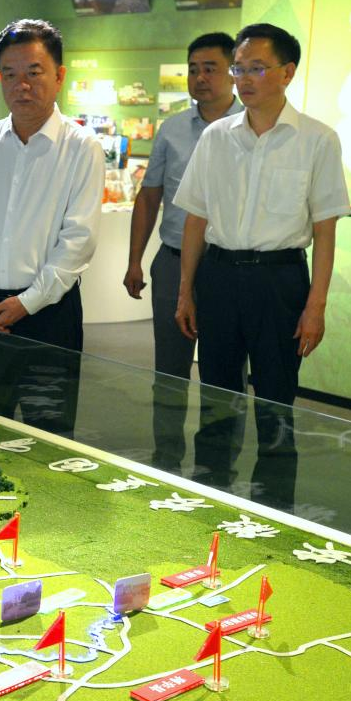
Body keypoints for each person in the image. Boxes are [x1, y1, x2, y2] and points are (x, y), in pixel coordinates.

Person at [172, 23, 350, 510]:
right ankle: (208, 495)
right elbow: (196, 218)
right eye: (239, 69)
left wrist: (316, 306)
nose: (244, 79)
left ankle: (274, 507)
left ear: (287, 72)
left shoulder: (317, 139)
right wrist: (186, 290)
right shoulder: (216, 137)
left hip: (280, 280)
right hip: (219, 275)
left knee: (275, 401)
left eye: (257, 68)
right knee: (216, 395)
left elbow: (325, 231)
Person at [0, 18, 104, 437]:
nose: (23, 85)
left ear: (59, 76)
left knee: (48, 436)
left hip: (48, 316)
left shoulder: (81, 147)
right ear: (0, 78)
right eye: (10, 74)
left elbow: (79, 239)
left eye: (34, 72)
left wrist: (27, 302)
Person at [125, 32, 243, 471]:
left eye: (210, 68)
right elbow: (149, 196)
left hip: (227, 267)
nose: (200, 77)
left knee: (225, 375)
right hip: (173, 260)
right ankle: (166, 459)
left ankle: (218, 467)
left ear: (232, 72)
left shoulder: (252, 126)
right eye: (193, 69)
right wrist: (135, 260)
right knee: (169, 370)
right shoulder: (172, 129)